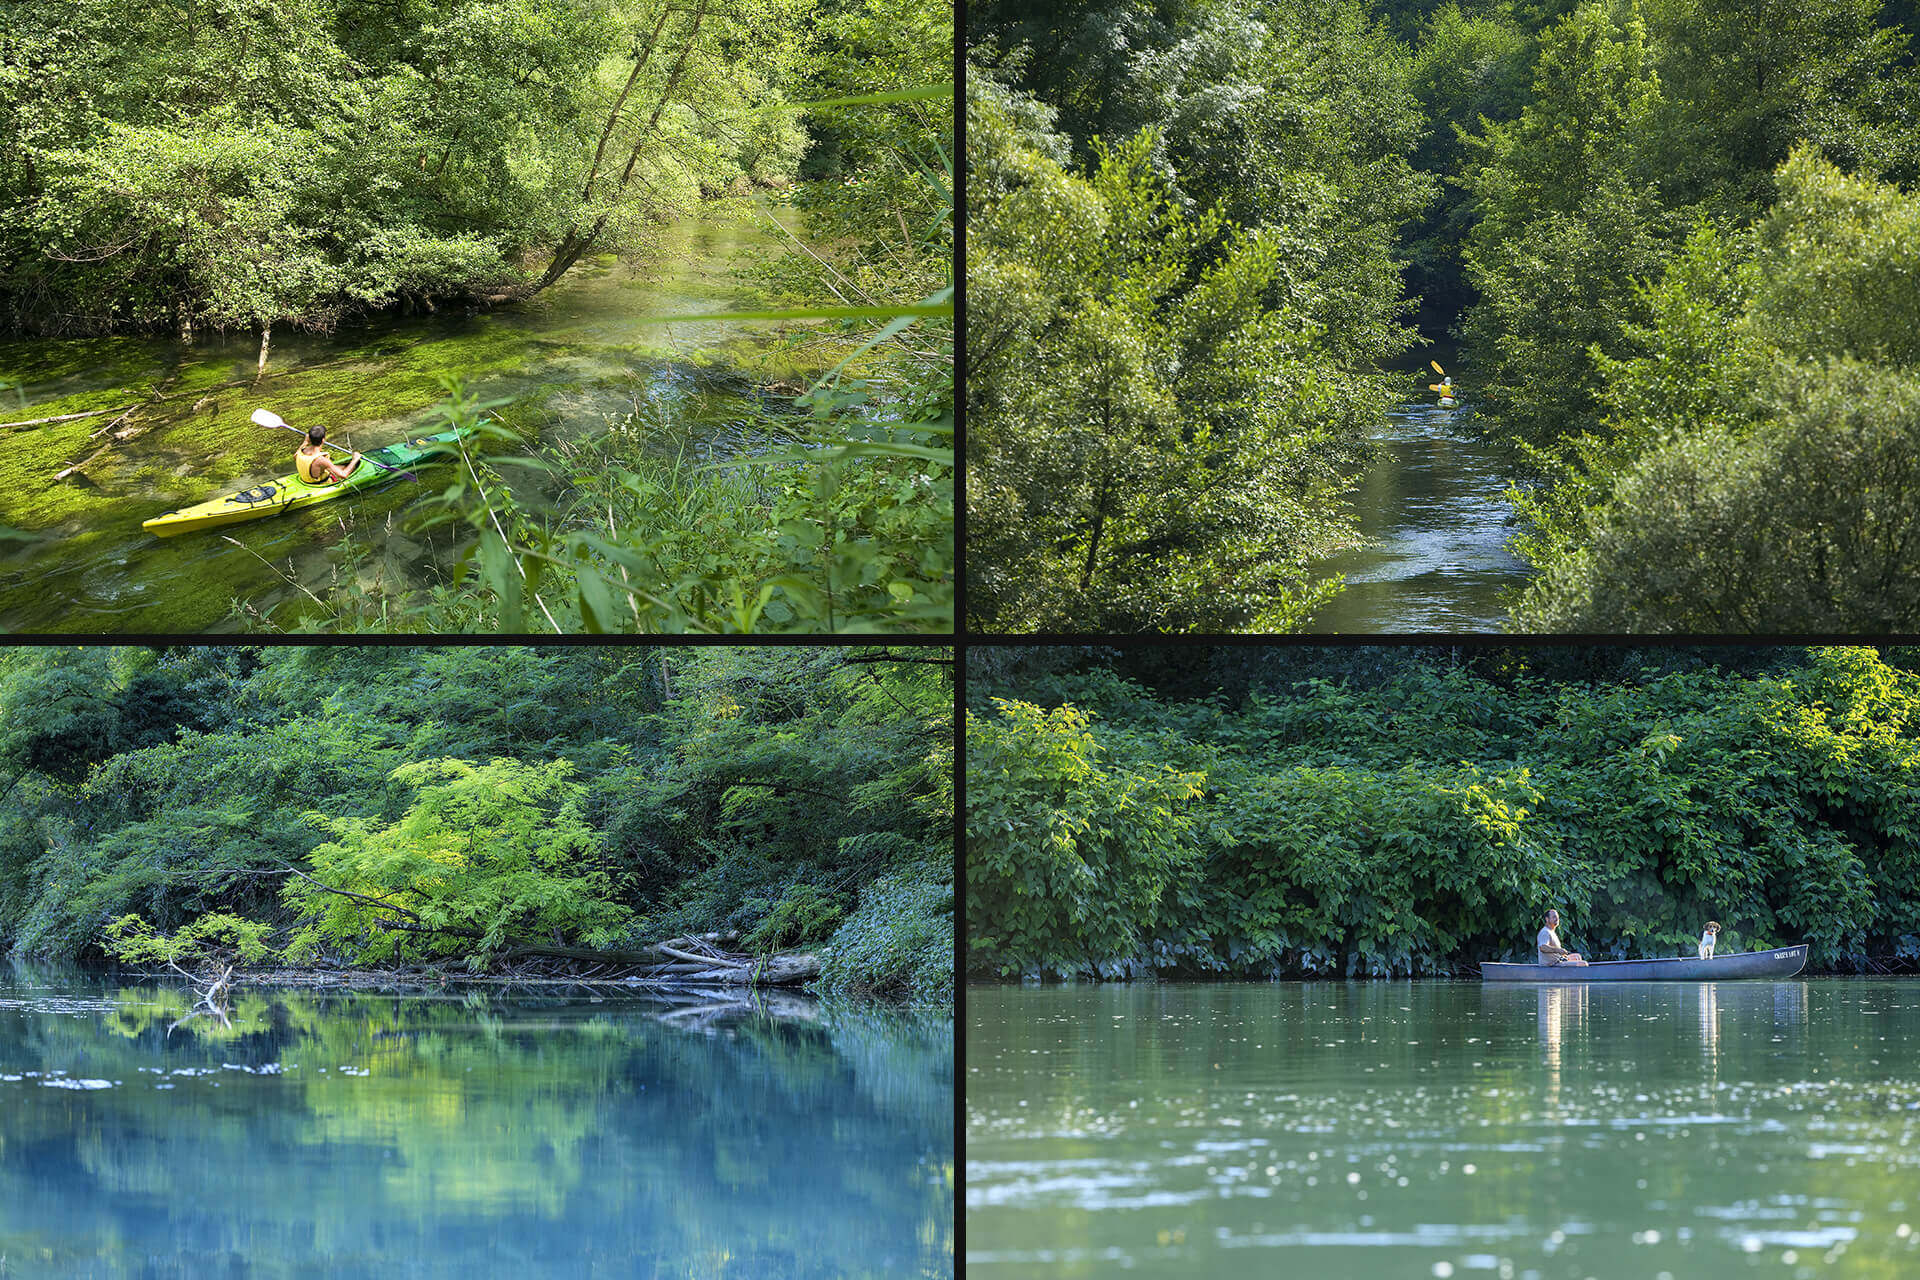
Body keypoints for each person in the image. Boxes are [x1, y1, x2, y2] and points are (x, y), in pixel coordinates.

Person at [296, 426, 361, 484]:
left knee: (343, 467)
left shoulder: (302, 450)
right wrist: (355, 459)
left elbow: (295, 456)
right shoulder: (321, 460)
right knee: (353, 467)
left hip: (307, 479)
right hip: (321, 483)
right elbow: (343, 475)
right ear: (323, 440)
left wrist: (305, 442)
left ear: (309, 438)